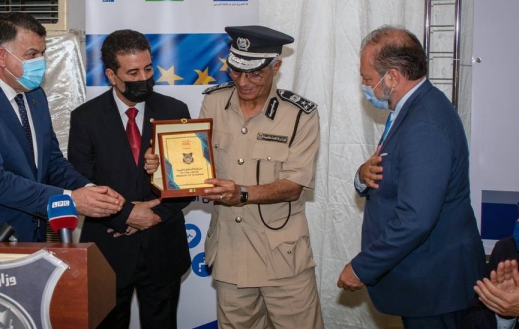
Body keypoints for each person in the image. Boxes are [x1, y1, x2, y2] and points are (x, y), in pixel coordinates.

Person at [337, 26, 485, 328]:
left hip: (434, 286)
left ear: (391, 77)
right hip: (423, 279)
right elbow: (392, 176)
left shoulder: (424, 123)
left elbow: (415, 219)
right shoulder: (411, 109)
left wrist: (362, 268)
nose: (365, 86)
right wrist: (361, 177)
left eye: (367, 78)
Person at [0, 12, 124, 242]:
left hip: (30, 236)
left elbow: (51, 161)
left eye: (42, 53)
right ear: (2, 56)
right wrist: (70, 199)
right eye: (32, 54)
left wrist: (91, 190)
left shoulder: (35, 96)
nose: (40, 61)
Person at [200, 25, 324, 328]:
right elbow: (198, 164)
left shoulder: (299, 115)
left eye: (255, 73)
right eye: (236, 71)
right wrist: (163, 167)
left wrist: (241, 193)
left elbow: (294, 186)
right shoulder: (213, 102)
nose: (244, 82)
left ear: (276, 67)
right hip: (230, 250)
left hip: (281, 256)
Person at [68, 29, 192, 329]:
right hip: (108, 251)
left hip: (162, 249)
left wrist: (154, 216)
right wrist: (125, 217)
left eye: (148, 69)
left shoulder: (175, 111)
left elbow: (190, 182)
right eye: (133, 72)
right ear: (112, 75)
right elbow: (79, 183)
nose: (143, 78)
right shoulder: (86, 118)